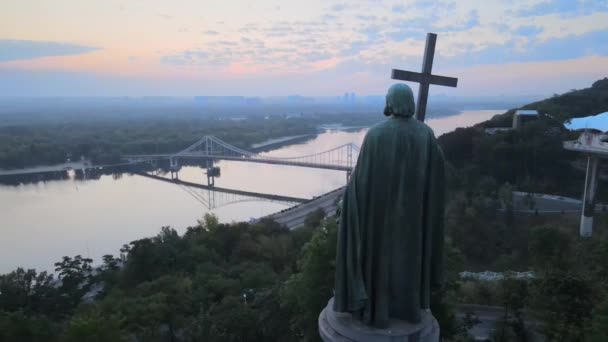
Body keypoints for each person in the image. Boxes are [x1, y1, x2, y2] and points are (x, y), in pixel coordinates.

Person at [333, 83, 446, 328]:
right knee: (407, 261)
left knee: (379, 261)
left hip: (379, 220)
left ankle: (378, 310)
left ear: (390, 101)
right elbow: (437, 180)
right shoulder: (425, 134)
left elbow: (359, 184)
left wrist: (346, 205)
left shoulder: (375, 135)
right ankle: (408, 310)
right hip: (413, 220)